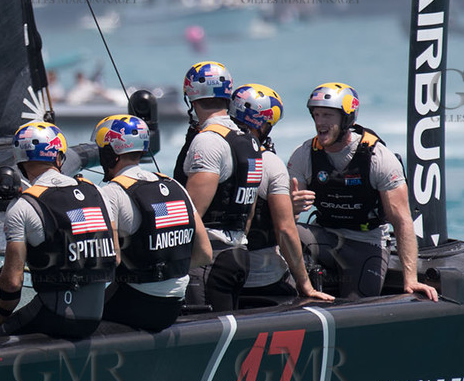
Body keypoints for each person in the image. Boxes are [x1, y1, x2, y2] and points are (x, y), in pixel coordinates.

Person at [286, 82, 438, 301]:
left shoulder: (379, 158)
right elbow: (287, 221)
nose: (320, 122)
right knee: (285, 231)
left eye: (327, 115)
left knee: (356, 305)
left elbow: (402, 221)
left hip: (367, 243)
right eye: (316, 115)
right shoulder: (303, 155)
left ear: (347, 119)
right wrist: (292, 208)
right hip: (324, 236)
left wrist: (410, 279)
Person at [0, 121, 119, 338]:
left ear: (20, 161)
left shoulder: (22, 206)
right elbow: (115, 258)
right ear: (59, 158)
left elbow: (12, 282)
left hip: (56, 316)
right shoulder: (97, 191)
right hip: (95, 317)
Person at [93, 114, 212, 332]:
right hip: (174, 305)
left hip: (135, 304)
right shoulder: (174, 185)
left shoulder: (110, 193)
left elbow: (110, 260)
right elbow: (205, 253)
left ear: (110, 154)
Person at [229, 84, 333, 304]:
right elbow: (285, 229)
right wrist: (305, 284)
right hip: (264, 279)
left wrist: (290, 207)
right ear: (262, 124)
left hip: (220, 274)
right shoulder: (269, 162)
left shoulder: (209, 149)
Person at [173, 61, 259, 312]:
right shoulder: (248, 140)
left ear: (191, 98)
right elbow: (249, 207)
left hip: (210, 258)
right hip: (238, 253)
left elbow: (192, 213)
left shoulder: (208, 141)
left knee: (201, 332)